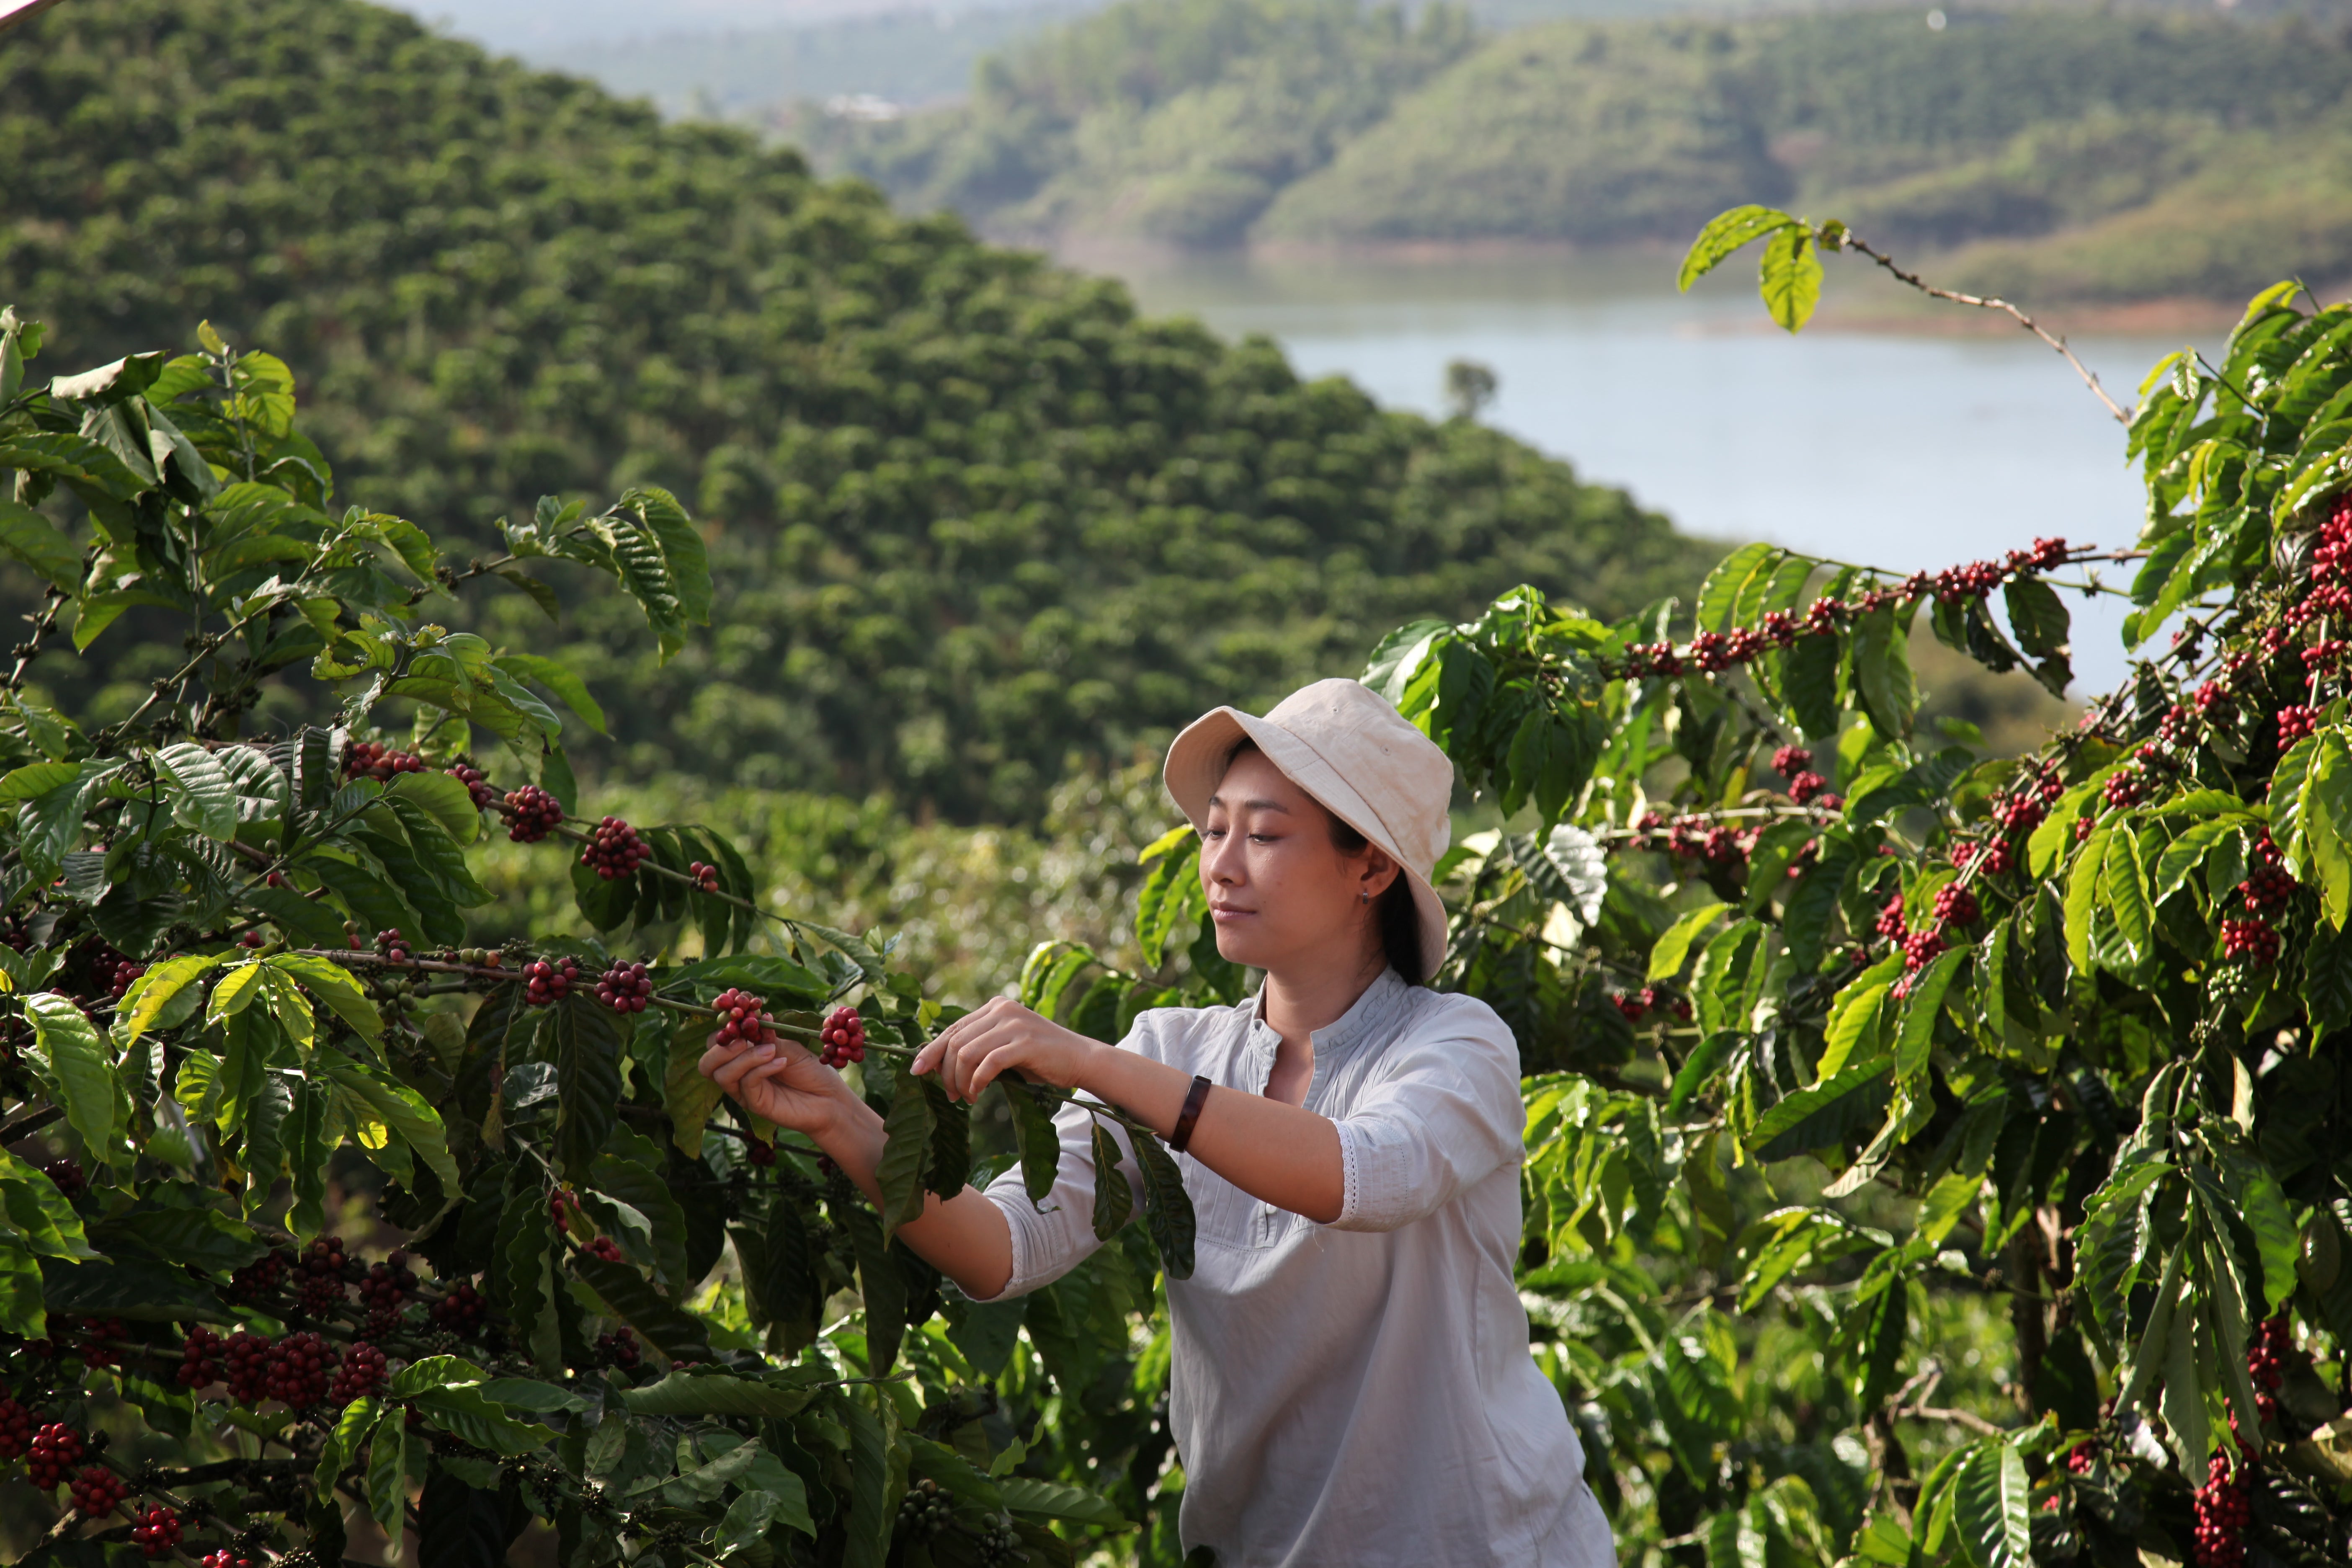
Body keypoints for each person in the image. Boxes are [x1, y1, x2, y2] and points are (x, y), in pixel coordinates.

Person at [700, 678, 1614, 1567]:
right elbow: (1002, 1250)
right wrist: (841, 1119)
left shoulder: (1455, 1044)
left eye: (1264, 835)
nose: (1220, 863)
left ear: (1370, 865)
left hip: (1482, 1545)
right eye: (1215, 829)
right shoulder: (1173, 1050)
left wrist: (1096, 1064)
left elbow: (1368, 1174)